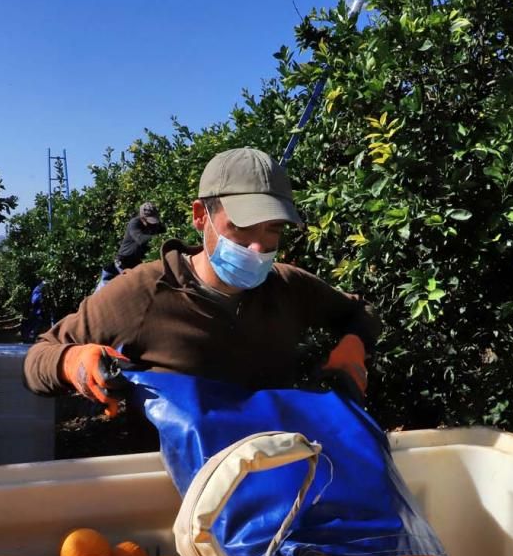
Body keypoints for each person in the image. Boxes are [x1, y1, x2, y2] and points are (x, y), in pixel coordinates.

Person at [24, 147, 379, 416]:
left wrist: (353, 344)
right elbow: (37, 359)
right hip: (174, 494)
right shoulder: (141, 294)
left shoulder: (289, 289)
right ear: (200, 216)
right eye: (240, 227)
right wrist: (72, 361)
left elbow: (360, 311)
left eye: (272, 230)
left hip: (274, 482)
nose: (257, 247)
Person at [97, 202, 165, 290]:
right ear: (142, 217)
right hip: (122, 265)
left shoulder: (155, 226)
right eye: (148, 220)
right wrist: (157, 238)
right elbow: (140, 239)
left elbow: (164, 232)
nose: (151, 224)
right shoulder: (134, 223)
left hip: (136, 266)